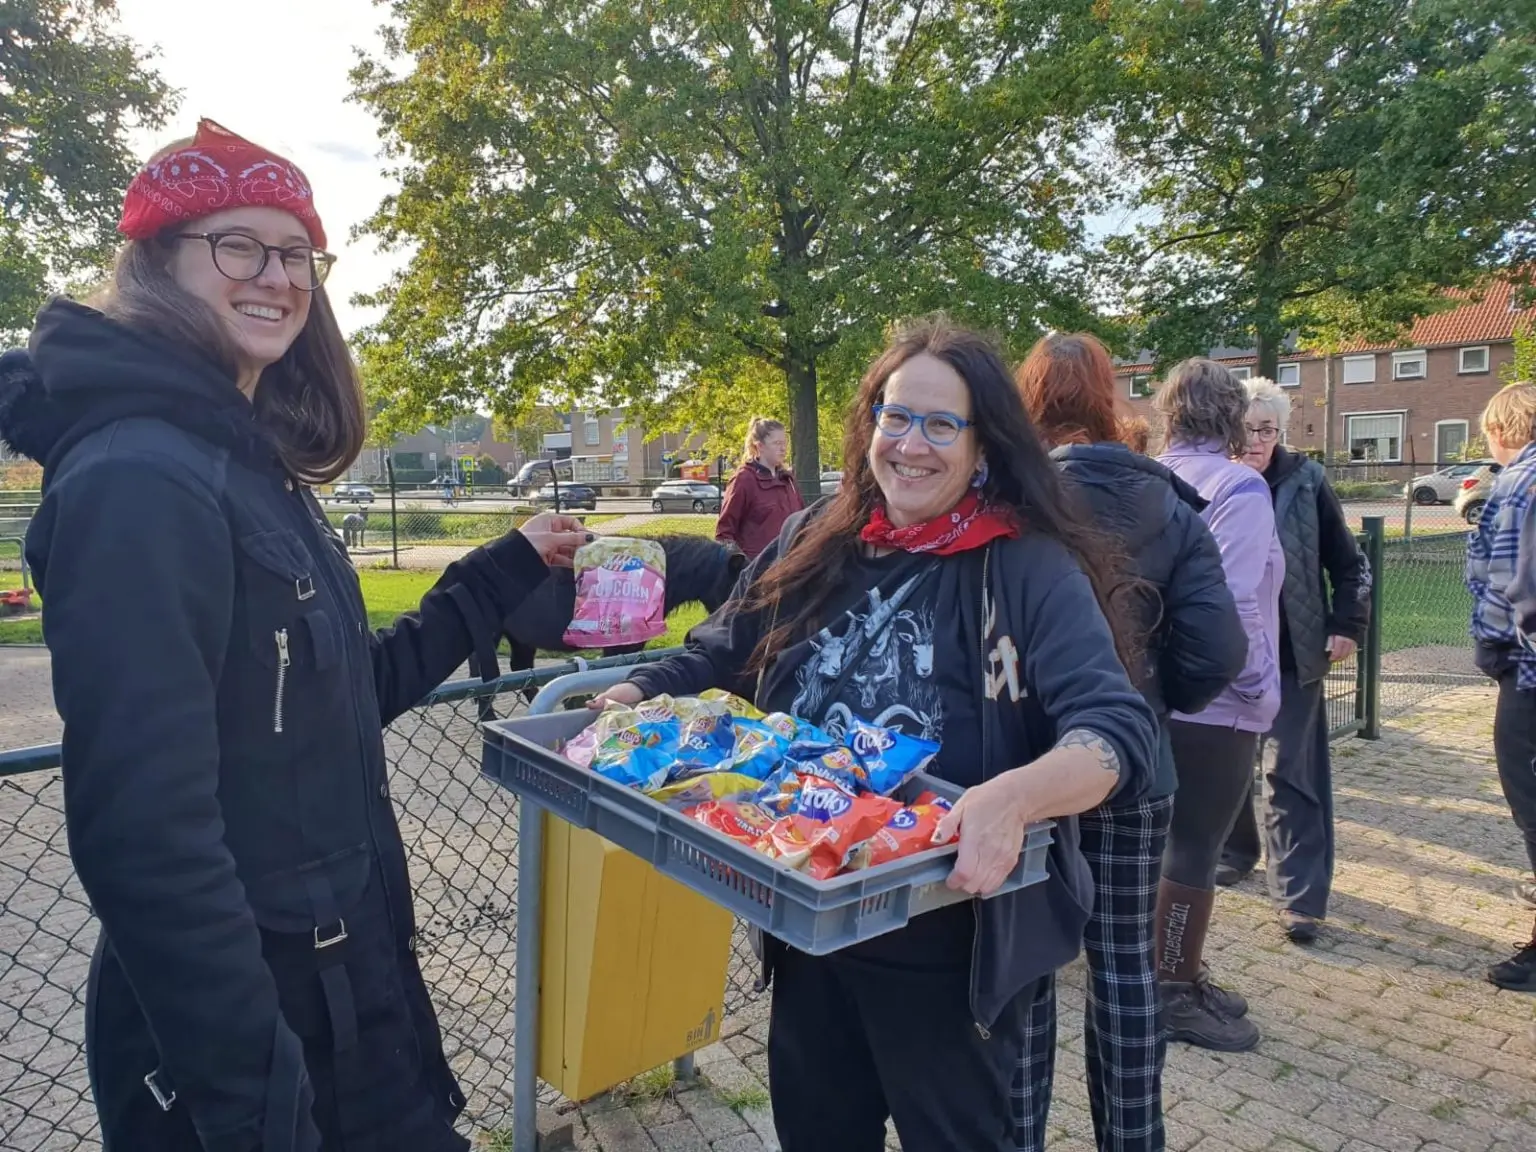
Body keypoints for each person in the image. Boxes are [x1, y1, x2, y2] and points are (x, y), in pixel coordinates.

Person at [0, 119, 590, 1151]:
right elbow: (147, 844)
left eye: (295, 252)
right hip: (250, 1050)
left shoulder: (248, 464)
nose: (275, 276)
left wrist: (503, 566)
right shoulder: (141, 480)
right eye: (237, 244)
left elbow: (348, 689)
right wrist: (256, 1109)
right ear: (156, 262)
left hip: (353, 1002)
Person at [590, 317, 1158, 1152]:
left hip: (949, 950)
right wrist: (635, 691)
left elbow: (1117, 732)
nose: (912, 444)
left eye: (940, 423)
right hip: (809, 923)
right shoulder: (817, 538)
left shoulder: (1025, 567)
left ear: (982, 442)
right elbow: (722, 646)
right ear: (870, 426)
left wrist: (1016, 795)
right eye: (896, 416)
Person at [1017, 334, 1246, 1151]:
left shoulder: (1012, 499)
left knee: (1025, 967)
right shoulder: (1172, 505)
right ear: (1111, 398)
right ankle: (1132, 1139)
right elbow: (1218, 649)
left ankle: (1017, 1136)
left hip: (1026, 768)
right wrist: (1149, 704)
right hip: (1130, 766)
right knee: (1123, 963)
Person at [1153, 358, 1284, 1051]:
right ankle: (1171, 989)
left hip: (1159, 692)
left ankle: (1175, 970)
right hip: (1219, 700)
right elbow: (1232, 605)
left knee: (1165, 843)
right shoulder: (1240, 486)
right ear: (1232, 415)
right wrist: (1260, 687)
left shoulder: (1154, 479)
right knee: (1197, 845)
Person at [1217, 379, 1371, 946]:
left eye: (1266, 429)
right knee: (1229, 765)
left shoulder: (1306, 480)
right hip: (1229, 655)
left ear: (1280, 431)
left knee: (1290, 773)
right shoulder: (1216, 480)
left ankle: (1300, 898)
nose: (1254, 440)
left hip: (1294, 653)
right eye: (1244, 429)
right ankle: (1235, 853)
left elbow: (1348, 563)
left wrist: (1347, 625)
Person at [1466, 383, 1536, 992]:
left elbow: (1513, 583)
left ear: (1503, 428)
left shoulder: (1521, 484)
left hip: (1530, 674)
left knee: (1531, 801)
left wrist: (1495, 650)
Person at [714, 416, 804, 558]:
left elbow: (802, 523)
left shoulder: (789, 481)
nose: (783, 448)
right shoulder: (744, 480)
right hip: (756, 571)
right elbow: (724, 534)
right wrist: (741, 566)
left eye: (784, 443)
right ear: (760, 446)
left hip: (790, 567)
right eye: (777, 443)